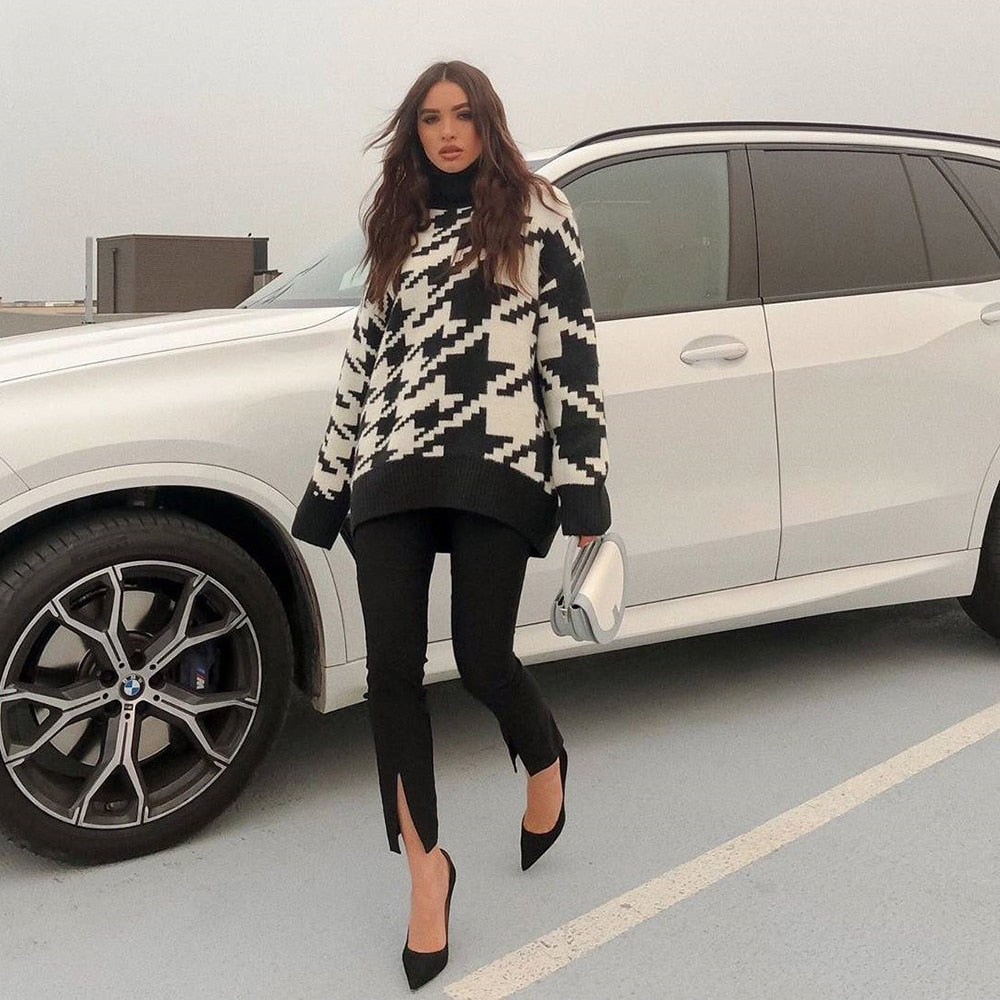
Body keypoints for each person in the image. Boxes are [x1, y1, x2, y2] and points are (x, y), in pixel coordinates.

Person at [291, 60, 612, 990]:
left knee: (480, 656)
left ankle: (544, 756)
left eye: (462, 115)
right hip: (389, 464)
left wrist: (584, 489)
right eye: (430, 118)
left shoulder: (538, 214)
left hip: (497, 459)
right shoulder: (396, 226)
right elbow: (364, 363)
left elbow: (570, 354)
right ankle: (426, 874)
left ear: (488, 123)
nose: (446, 132)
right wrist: (327, 486)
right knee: (389, 673)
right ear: (413, 131)